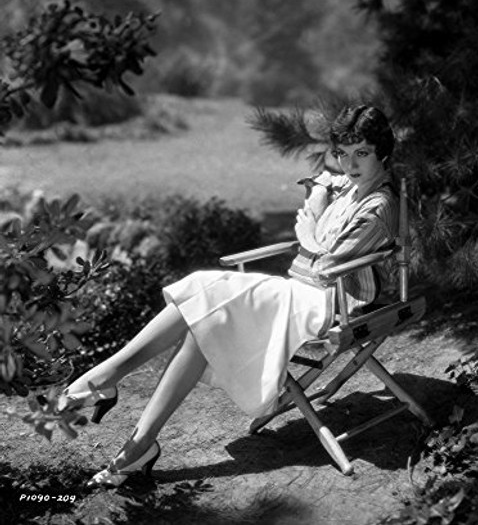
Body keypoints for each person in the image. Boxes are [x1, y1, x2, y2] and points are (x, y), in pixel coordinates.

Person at [58, 104, 398, 488]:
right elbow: (322, 179)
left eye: (363, 154)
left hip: (328, 303)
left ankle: (103, 378)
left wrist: (309, 233)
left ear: (383, 152)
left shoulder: (379, 206)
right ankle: (138, 444)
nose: (351, 164)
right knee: (205, 318)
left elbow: (326, 265)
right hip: (296, 293)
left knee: (208, 291)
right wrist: (318, 197)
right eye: (344, 154)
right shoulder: (350, 185)